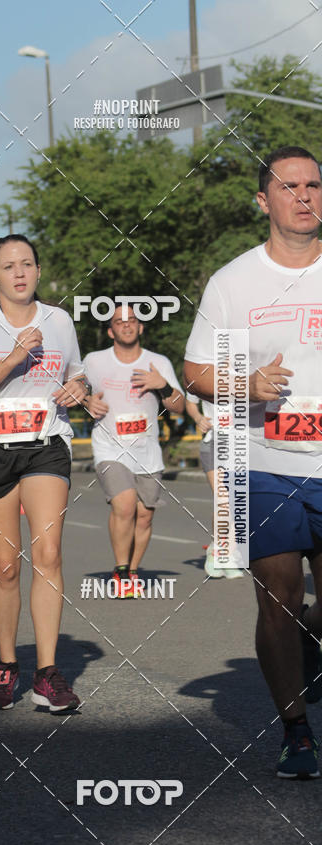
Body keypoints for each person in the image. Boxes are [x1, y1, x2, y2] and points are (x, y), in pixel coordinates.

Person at [184, 145, 322, 779]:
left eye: (314, 185)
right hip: (265, 459)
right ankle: (296, 730)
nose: (304, 196)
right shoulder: (235, 282)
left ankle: (310, 655)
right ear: (263, 200)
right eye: (289, 186)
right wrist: (247, 383)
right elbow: (196, 371)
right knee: (280, 597)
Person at [0, 234, 90, 713]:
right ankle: (7, 662)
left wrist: (77, 386)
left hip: (46, 443)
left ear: (36, 270)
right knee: (5, 567)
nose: (19, 273)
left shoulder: (59, 321)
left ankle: (47, 674)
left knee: (48, 553)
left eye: (27, 263)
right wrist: (12, 358)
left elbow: (76, 372)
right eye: (8, 266)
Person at [84, 304, 184, 597]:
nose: (126, 325)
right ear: (110, 330)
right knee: (125, 504)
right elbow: (74, 388)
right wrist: (87, 402)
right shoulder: (94, 361)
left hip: (147, 451)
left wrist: (162, 385)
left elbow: (178, 406)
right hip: (109, 448)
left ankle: (133, 570)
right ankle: (121, 570)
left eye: (132, 321)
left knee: (145, 515)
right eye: (119, 321)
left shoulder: (158, 363)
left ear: (141, 327)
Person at [185, 393, 244, 579]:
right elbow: (191, 402)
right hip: (215, 443)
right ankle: (218, 551)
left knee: (240, 504)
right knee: (224, 501)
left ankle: (228, 553)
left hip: (243, 445)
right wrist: (198, 417)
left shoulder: (248, 369)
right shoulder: (203, 369)